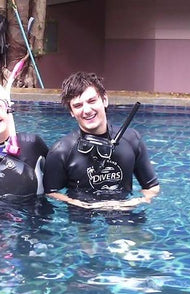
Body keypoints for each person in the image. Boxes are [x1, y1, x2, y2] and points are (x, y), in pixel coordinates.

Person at [43, 72, 160, 212]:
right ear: (71, 112)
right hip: (82, 215)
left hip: (124, 212)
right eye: (78, 105)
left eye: (92, 101)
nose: (86, 110)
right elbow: (51, 192)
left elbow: (152, 186)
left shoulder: (131, 138)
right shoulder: (61, 150)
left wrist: (139, 201)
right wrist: (82, 205)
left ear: (104, 100)